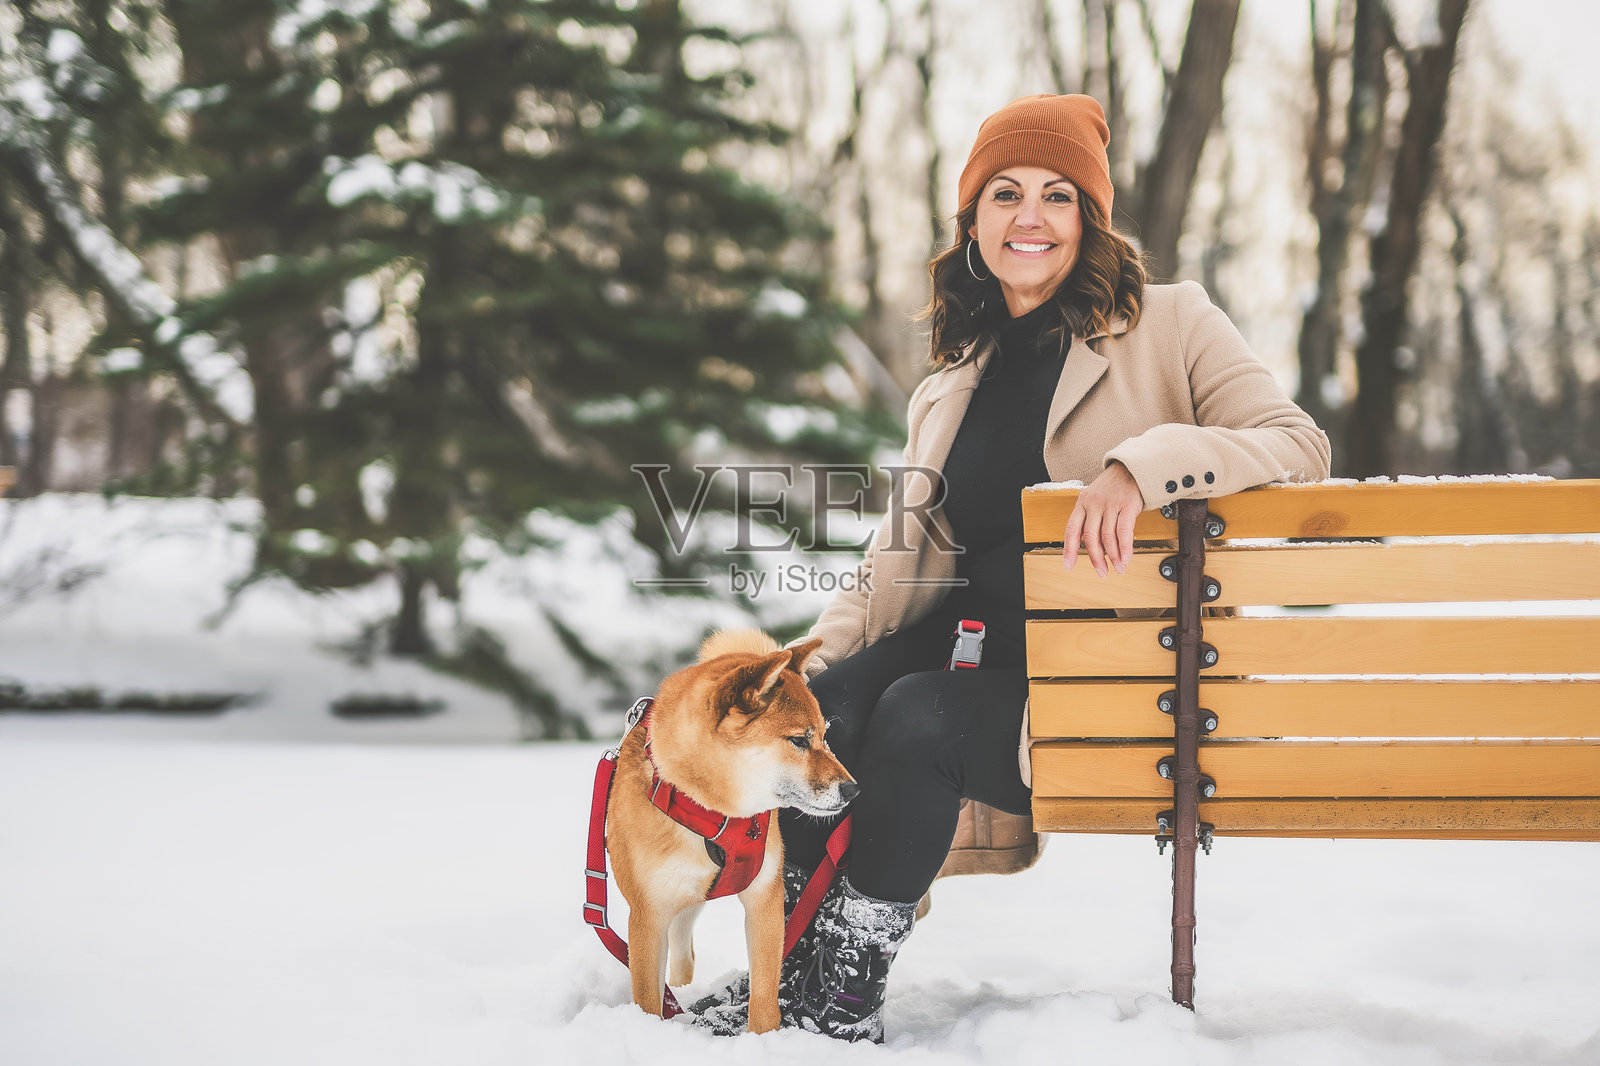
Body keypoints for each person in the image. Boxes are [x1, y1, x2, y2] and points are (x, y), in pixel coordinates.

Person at [692, 93, 1330, 1042]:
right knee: (823, 717)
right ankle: (786, 970)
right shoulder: (954, 379)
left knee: (916, 716)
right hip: (972, 641)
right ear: (973, 222)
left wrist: (1139, 468)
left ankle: (846, 991)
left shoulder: (1171, 324)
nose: (1030, 218)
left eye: (1057, 196)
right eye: (1004, 194)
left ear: (1091, 218)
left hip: (1114, 678)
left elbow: (1298, 444)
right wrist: (797, 669)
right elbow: (898, 565)